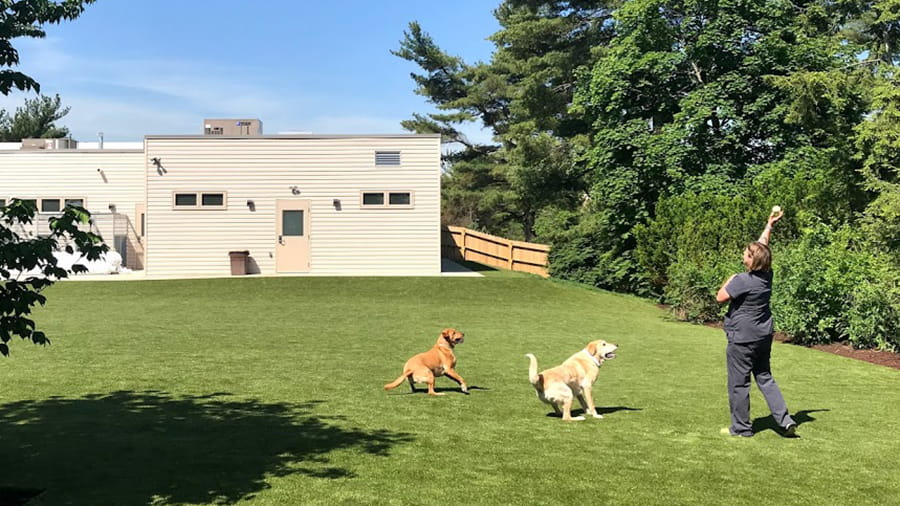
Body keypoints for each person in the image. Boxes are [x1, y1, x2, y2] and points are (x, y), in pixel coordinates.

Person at [715, 208, 797, 438]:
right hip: (763, 336)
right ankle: (785, 420)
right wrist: (769, 225)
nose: (744, 254)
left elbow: (720, 297)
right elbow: (762, 248)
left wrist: (729, 279)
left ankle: (741, 429)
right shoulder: (766, 275)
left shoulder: (741, 280)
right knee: (764, 377)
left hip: (742, 338)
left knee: (739, 383)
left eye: (746, 254)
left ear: (752, 261)